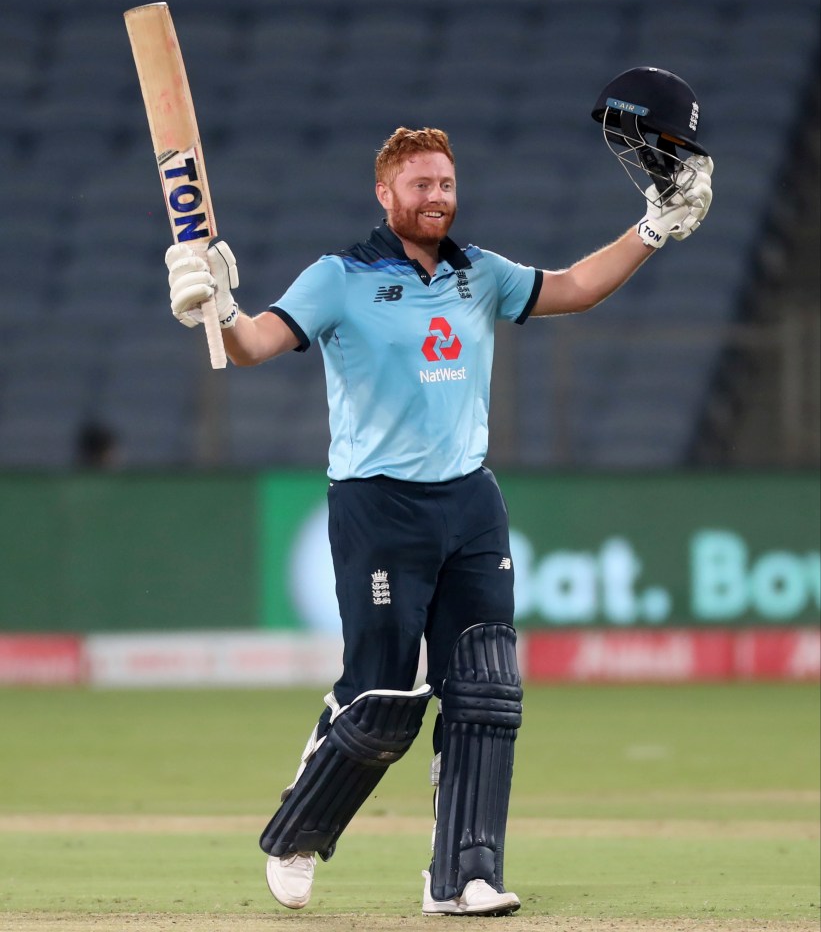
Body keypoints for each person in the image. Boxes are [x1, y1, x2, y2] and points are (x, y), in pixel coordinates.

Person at [165, 113, 712, 915]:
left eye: (446, 184)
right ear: (385, 192)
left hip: (469, 501)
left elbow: (575, 287)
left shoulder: (478, 271)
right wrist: (211, 306)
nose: (437, 197)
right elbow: (252, 344)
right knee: (383, 702)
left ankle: (463, 875)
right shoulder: (337, 277)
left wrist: (654, 228)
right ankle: (299, 831)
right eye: (420, 184)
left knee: (487, 692)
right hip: (377, 505)